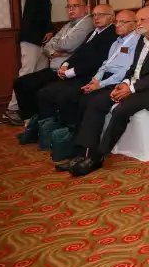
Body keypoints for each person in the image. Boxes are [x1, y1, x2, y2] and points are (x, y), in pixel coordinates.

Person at [70, 7, 149, 176]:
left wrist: (131, 89)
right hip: (140, 86)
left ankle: (98, 156)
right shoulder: (142, 39)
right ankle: (84, 152)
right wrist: (125, 83)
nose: (138, 24)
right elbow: (134, 68)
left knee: (122, 109)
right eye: (137, 20)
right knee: (98, 101)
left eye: (142, 20)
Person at [46, 11, 140, 159]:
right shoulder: (116, 42)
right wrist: (95, 80)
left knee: (93, 102)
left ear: (134, 24)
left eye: (123, 22)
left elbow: (125, 71)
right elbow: (105, 64)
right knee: (80, 96)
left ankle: (88, 153)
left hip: (119, 82)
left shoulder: (137, 42)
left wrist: (101, 84)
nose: (118, 25)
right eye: (117, 22)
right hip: (105, 79)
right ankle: (77, 146)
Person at [14, 4, 117, 135]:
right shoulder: (94, 32)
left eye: (101, 15)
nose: (96, 18)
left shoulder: (111, 34)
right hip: (73, 71)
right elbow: (78, 53)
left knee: (62, 95)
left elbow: (96, 60)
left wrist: (70, 72)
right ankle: (44, 129)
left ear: (111, 18)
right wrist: (66, 64)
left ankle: (66, 133)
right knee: (43, 92)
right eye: (95, 15)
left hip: (89, 75)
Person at [6, 0, 55, 125]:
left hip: (37, 41)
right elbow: (35, 19)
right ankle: (12, 109)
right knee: (26, 73)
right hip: (32, 40)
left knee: (39, 74)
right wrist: (46, 31)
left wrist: (48, 31)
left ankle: (34, 109)